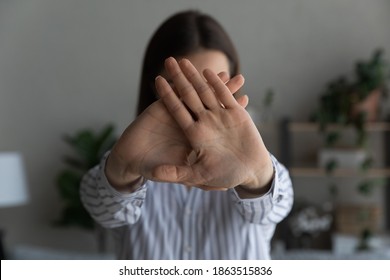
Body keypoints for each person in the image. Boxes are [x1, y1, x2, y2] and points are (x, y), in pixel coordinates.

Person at [80, 10, 293, 260]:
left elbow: (274, 206)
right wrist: (122, 169)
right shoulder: (132, 159)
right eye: (181, 86)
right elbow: (103, 208)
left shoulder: (254, 165)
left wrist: (257, 176)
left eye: (213, 87)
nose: (196, 101)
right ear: (155, 86)